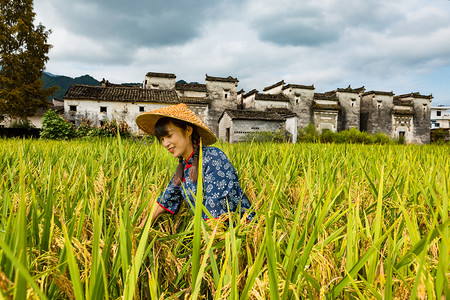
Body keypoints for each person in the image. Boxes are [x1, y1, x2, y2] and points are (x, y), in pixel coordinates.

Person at [136, 103, 255, 226]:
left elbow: (217, 208)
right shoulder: (184, 166)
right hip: (212, 232)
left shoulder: (213, 158)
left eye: (169, 136)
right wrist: (141, 229)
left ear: (188, 130)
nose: (165, 144)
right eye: (162, 139)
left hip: (238, 232)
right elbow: (166, 199)